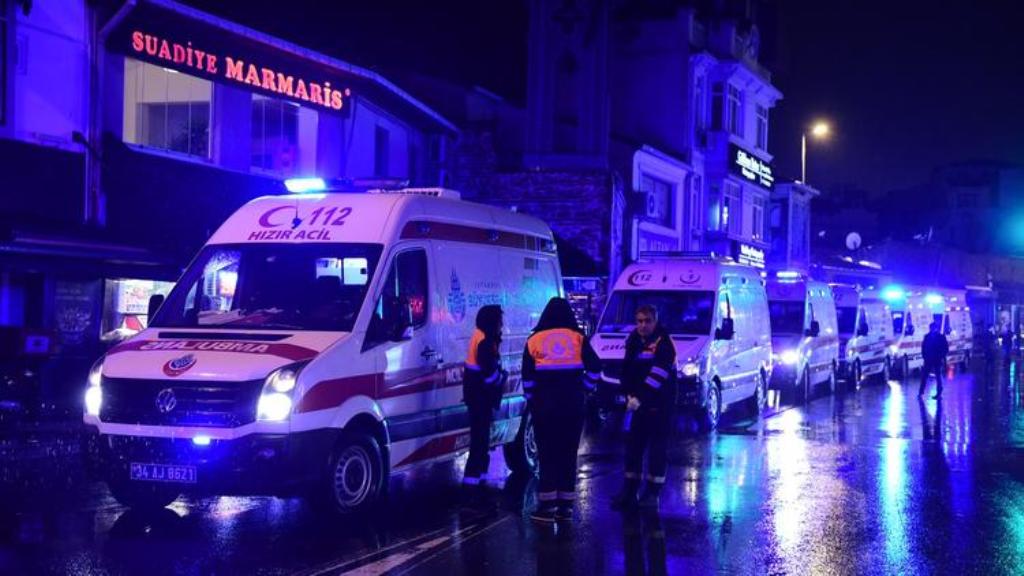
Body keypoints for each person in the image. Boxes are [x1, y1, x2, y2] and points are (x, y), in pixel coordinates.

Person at [521, 297, 601, 524]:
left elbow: (527, 378)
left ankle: (547, 506)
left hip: (545, 408)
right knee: (567, 454)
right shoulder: (577, 338)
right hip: (572, 407)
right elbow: (595, 367)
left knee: (547, 455)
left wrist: (533, 400)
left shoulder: (534, 340)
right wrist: (585, 389)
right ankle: (565, 507)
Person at [611, 305, 677, 510]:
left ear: (655, 322)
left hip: (659, 405)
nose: (643, 325)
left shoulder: (663, 343)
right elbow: (627, 370)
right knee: (633, 448)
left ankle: (653, 493)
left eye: (647, 321)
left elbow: (658, 375)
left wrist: (638, 397)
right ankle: (630, 490)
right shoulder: (633, 340)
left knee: (657, 450)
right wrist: (627, 393)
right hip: (637, 404)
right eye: (639, 320)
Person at [462, 305, 507, 508]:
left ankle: (478, 482)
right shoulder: (484, 341)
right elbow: (489, 374)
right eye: (499, 321)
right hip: (480, 398)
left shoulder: (480, 336)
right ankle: (472, 487)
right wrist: (501, 378)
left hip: (476, 397)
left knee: (481, 441)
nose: (502, 325)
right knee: (480, 442)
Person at [919, 321, 949, 399]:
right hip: (928, 359)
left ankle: (939, 392)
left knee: (938, 376)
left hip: (937, 359)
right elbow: (923, 347)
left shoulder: (941, 337)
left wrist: (941, 356)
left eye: (933, 328)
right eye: (931, 328)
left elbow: (945, 348)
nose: (932, 329)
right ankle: (921, 391)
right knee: (924, 376)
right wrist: (924, 356)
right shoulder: (927, 337)